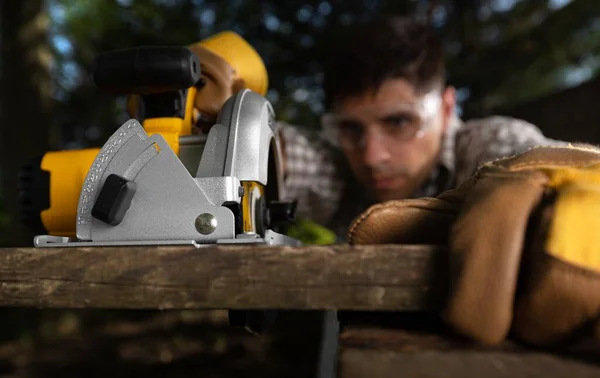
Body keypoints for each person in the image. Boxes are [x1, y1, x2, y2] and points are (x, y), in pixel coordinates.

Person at [278, 16, 565, 240]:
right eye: (352, 129)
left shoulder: (490, 150)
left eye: (399, 122)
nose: (372, 157)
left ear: (446, 108)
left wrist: (566, 187)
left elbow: (542, 164)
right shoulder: (342, 171)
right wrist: (239, 121)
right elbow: (284, 155)